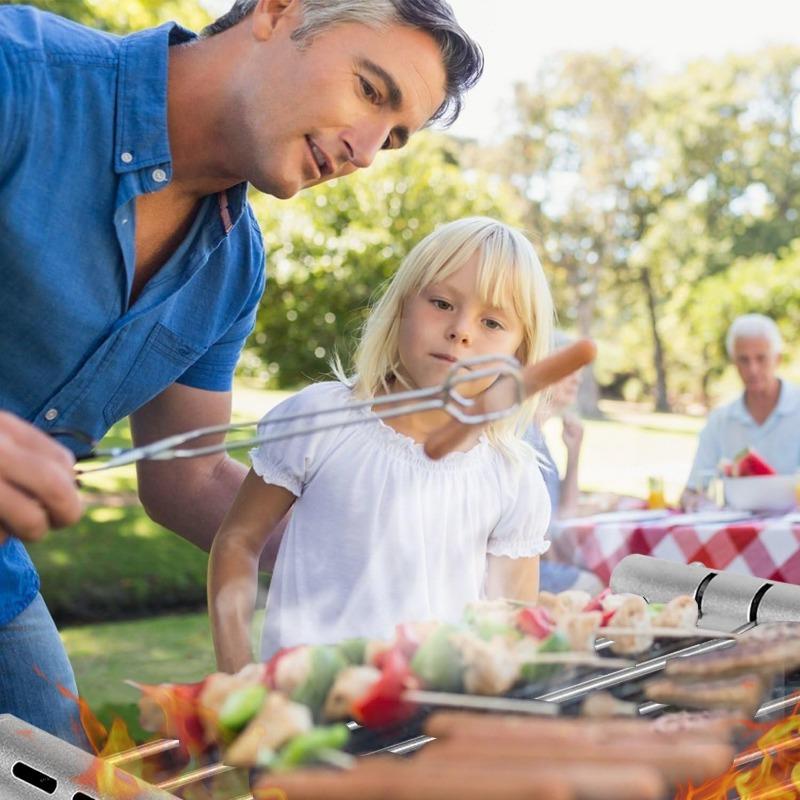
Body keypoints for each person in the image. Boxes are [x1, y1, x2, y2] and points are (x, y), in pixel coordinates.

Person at [0, 0, 482, 746]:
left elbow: (188, 480)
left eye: (391, 140)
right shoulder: (20, 75)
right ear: (277, 11)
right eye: (368, 88)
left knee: (63, 779)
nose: (363, 149)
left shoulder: (232, 267)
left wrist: (396, 561)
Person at [208, 217, 555, 669]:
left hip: (429, 727)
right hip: (306, 713)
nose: (461, 330)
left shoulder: (512, 476)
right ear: (402, 307)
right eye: (442, 303)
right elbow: (238, 541)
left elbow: (512, 627)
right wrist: (237, 676)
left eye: (492, 322)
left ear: (520, 355)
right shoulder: (321, 420)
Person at [681, 313, 800, 510]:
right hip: (735, 535)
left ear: (777, 359)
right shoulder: (720, 420)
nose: (753, 369)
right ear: (734, 363)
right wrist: (694, 503)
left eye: (761, 358)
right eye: (744, 360)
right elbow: (692, 491)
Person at [523, 335, 602, 594]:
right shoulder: (523, 436)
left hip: (536, 561)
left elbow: (564, 511)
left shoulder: (538, 433)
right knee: (594, 584)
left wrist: (574, 453)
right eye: (569, 369)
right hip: (523, 569)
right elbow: (532, 528)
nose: (578, 378)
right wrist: (564, 566)